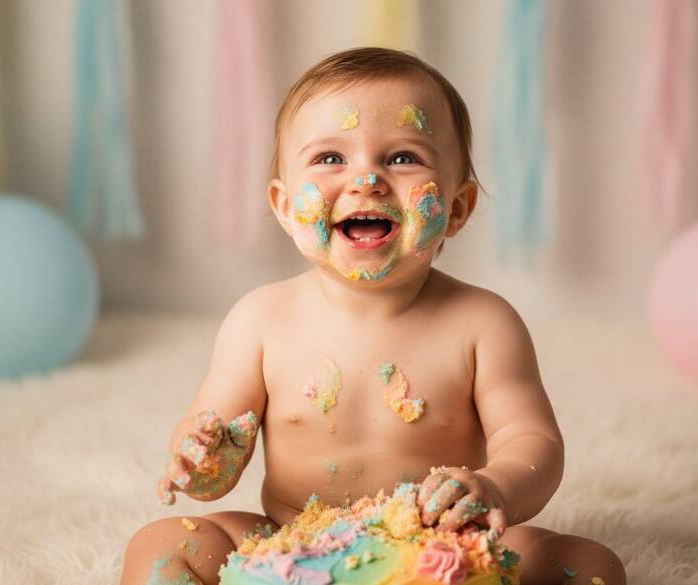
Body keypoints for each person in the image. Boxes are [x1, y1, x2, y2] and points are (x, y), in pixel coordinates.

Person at [120, 47, 627, 585]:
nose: (367, 180)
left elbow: (533, 443)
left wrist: (493, 486)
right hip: (294, 546)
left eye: (403, 157)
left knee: (589, 564)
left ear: (457, 207)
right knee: (163, 543)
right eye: (331, 159)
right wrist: (201, 459)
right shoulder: (260, 320)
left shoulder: (484, 323)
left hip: (443, 549)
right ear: (286, 206)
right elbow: (214, 456)